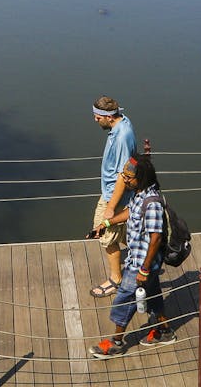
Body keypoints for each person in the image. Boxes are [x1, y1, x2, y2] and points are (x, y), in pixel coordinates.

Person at [89, 153, 177, 358]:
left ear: (142, 177)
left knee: (124, 300)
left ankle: (116, 344)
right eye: (124, 175)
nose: (125, 180)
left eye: (129, 177)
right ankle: (165, 331)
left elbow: (155, 238)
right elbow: (131, 212)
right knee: (153, 296)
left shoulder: (152, 203)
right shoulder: (140, 193)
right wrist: (106, 224)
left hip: (142, 263)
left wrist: (144, 269)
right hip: (138, 260)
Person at [89, 95, 135, 299]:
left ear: (108, 117)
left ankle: (115, 280)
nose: (95, 120)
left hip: (114, 196)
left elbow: (123, 176)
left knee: (105, 236)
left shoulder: (122, 136)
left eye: (97, 117)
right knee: (123, 232)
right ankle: (143, 257)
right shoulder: (121, 123)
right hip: (111, 193)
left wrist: (110, 207)